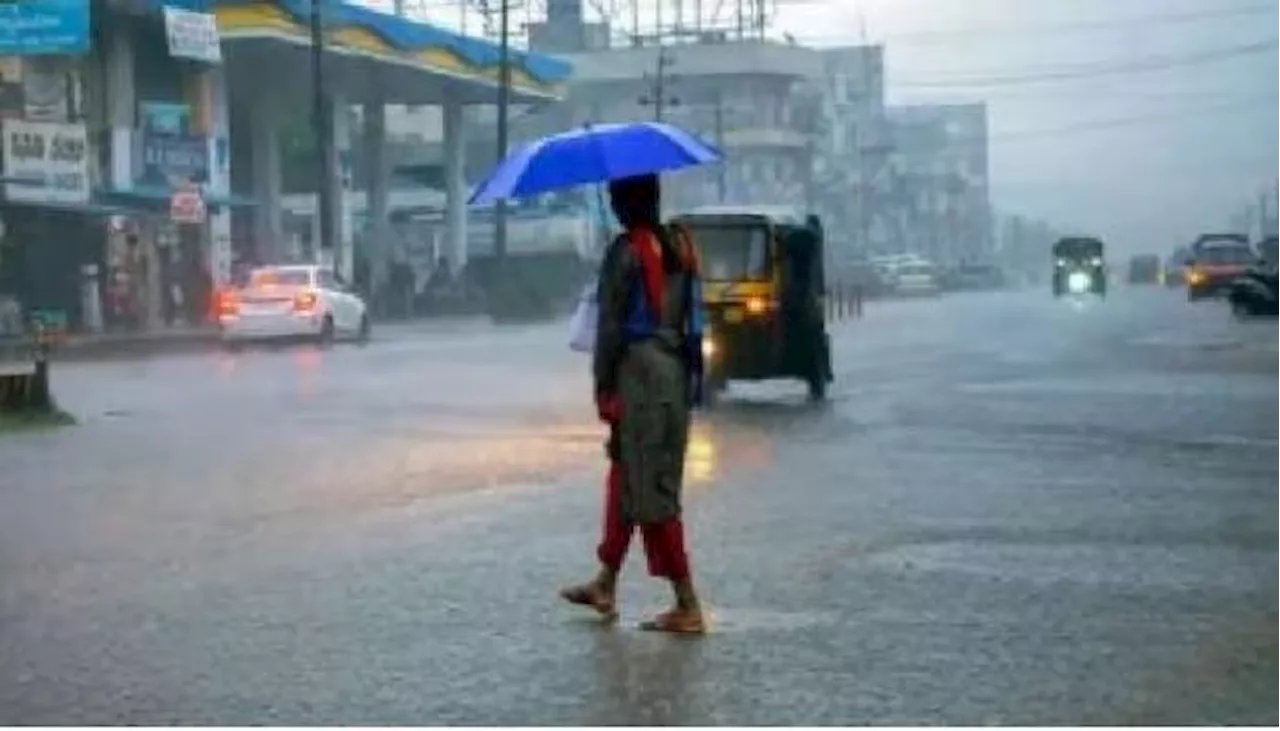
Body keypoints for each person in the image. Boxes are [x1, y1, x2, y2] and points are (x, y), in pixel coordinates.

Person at [559, 173, 707, 634]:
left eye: (614, 197)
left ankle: (687, 602)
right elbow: (696, 317)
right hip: (674, 373)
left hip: (639, 377)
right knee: (627, 478)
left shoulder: (625, 253)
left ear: (626, 204)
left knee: (651, 489)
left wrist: (602, 386)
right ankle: (606, 581)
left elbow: (608, 328)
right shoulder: (682, 244)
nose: (613, 205)